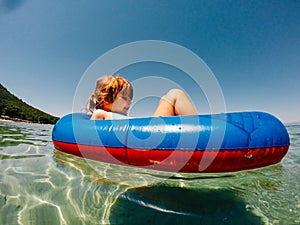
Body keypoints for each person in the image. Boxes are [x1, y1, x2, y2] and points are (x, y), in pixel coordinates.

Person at [88, 75, 197, 120]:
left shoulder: (114, 116)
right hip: (152, 134)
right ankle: (203, 133)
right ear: (106, 99)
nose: (129, 103)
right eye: (124, 98)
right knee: (175, 95)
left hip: (151, 130)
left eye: (130, 99)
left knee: (171, 96)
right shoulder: (100, 114)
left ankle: (202, 131)